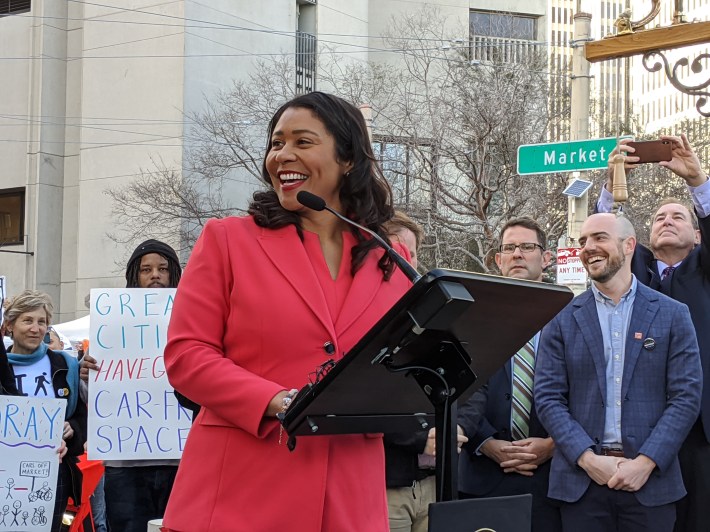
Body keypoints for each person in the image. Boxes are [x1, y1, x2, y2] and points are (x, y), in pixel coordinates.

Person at [161, 92, 413, 531]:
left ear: (348, 159)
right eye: (276, 143)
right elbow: (187, 356)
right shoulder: (227, 240)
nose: (283, 155)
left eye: (302, 141)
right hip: (239, 493)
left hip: (351, 498)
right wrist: (279, 402)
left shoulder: (390, 257)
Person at [534, 213, 702, 531]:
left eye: (599, 238)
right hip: (581, 485)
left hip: (650, 485)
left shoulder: (673, 314)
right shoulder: (560, 317)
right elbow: (547, 397)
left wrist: (646, 462)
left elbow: (686, 397)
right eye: (582, 241)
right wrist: (588, 459)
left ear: (628, 245)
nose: (588, 247)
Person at [597, 134, 710, 532]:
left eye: (678, 217)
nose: (667, 221)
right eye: (659, 217)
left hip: (699, 430)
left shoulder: (703, 270)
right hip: (637, 429)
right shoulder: (635, 271)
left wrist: (697, 181)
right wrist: (613, 183)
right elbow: (604, 240)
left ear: (697, 236)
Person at [457, 217, 561, 532]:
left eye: (527, 247)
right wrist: (485, 441)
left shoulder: (572, 316)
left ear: (546, 258)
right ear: (499, 259)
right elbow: (463, 389)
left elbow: (586, 392)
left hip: (551, 478)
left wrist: (553, 445)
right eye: (509, 248)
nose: (517, 254)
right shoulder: (471, 316)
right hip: (482, 477)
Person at [80, 239, 183, 532]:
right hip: (124, 463)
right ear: (134, 276)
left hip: (181, 460)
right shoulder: (110, 325)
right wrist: (87, 376)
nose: (155, 276)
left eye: (163, 269)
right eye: (146, 269)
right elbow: (95, 400)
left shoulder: (195, 318)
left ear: (173, 273)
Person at [4, 290, 85, 532]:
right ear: (10, 325)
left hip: (53, 472)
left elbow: (82, 415)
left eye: (42, 322)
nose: (35, 328)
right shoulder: (2, 368)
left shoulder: (65, 365)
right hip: (5, 472)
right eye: (27, 320)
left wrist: (74, 428)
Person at [382, 211, 435, 532]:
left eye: (412, 253)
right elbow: (361, 399)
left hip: (435, 483)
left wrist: (452, 432)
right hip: (387, 485)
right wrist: (420, 439)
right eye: (398, 251)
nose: (407, 260)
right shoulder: (361, 319)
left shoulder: (430, 314)